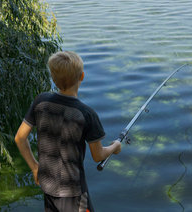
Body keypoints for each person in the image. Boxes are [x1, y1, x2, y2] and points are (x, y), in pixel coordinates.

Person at [15, 51, 121, 212]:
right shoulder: (86, 114)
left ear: (52, 77)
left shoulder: (41, 101)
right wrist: (115, 146)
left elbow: (20, 138)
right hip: (74, 193)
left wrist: (35, 167)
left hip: (48, 185)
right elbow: (98, 155)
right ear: (82, 76)